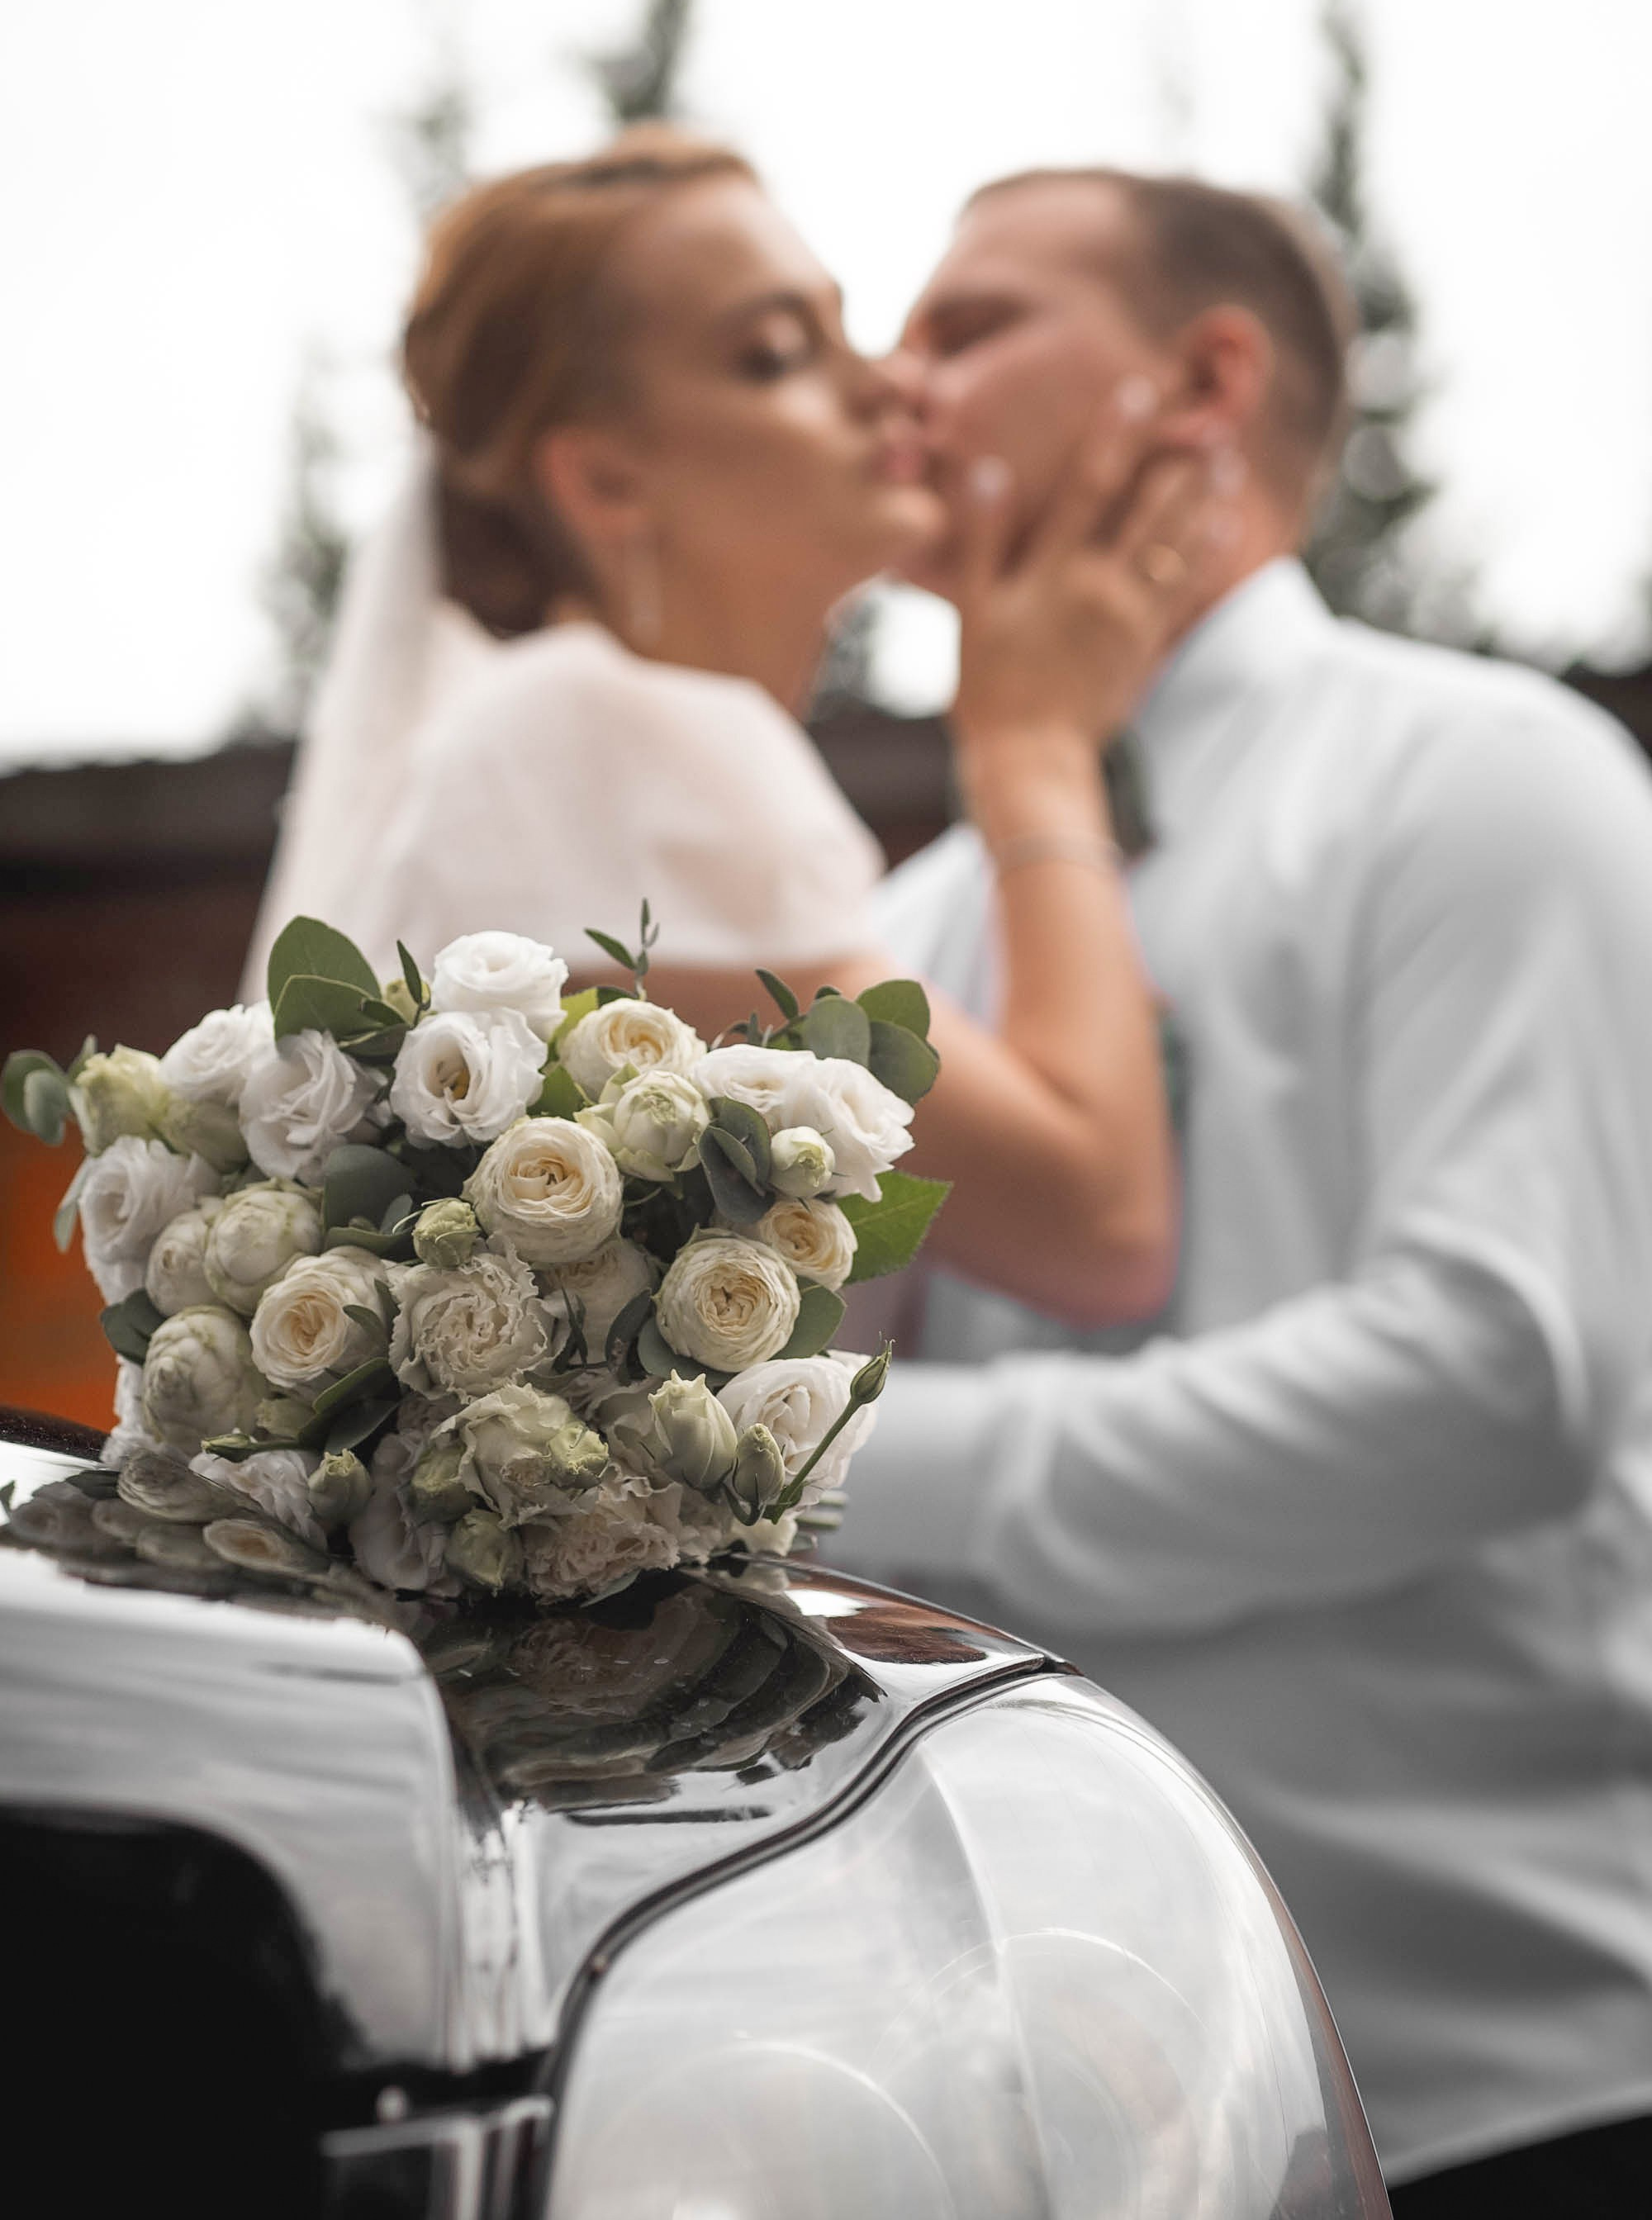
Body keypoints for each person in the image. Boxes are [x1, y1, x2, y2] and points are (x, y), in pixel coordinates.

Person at [829, 163, 1652, 2213]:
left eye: (969, 326)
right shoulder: (897, 920)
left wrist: (836, 1464)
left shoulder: (1481, 773)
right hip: (1058, 2135)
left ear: (1199, 378)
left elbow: (1491, 1375)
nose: (893, 386)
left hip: (1514, 2090)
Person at [247, 129, 1223, 1320]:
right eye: (773, 356)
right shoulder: (619, 730)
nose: (886, 386)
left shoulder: (548, 732)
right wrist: (1033, 748)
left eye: (842, 326)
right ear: (605, 482)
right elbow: (1100, 1228)